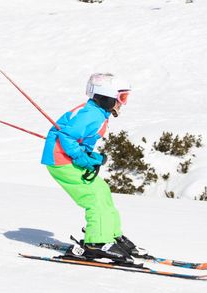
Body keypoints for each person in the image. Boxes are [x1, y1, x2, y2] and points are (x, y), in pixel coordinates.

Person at [41, 73, 145, 264]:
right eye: (121, 98)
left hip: (66, 158)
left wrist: (91, 156)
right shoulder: (92, 115)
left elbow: (78, 140)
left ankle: (112, 235)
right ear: (106, 96)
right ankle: (96, 242)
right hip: (61, 161)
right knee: (93, 198)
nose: (123, 103)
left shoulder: (97, 113)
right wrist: (81, 158)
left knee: (102, 190)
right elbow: (67, 137)